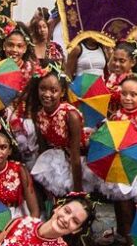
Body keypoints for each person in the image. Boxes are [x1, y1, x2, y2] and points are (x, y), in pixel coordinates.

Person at [88, 75, 137, 244]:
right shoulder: (115, 117)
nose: (128, 98)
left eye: (133, 94)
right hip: (121, 168)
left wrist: (133, 155)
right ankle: (126, 237)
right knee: (123, 208)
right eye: (124, 94)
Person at [28, 67, 85, 197]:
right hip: (53, 158)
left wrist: (78, 192)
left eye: (53, 91)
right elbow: (43, 149)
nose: (47, 94)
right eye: (43, 89)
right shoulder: (39, 114)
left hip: (75, 160)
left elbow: (75, 155)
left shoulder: (70, 115)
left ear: (62, 92)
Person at [0, 194, 95, 246]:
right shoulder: (21, 222)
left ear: (76, 230)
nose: (66, 219)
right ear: (57, 208)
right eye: (67, 211)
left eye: (75, 221)